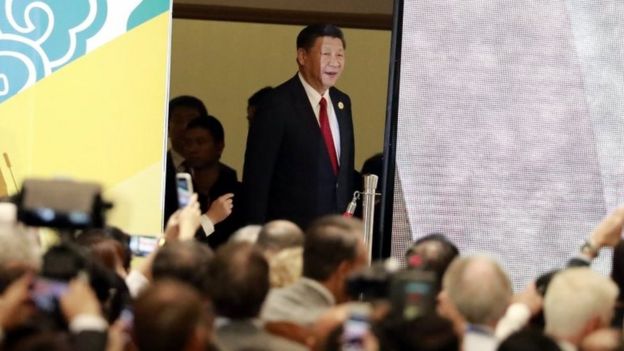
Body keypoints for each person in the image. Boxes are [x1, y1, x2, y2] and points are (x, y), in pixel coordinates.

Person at [242, 24, 355, 230]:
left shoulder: (342, 102)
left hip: (335, 231)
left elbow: (342, 171)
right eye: (326, 54)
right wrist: (255, 234)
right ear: (302, 57)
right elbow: (257, 179)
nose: (334, 62)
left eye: (340, 55)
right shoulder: (276, 104)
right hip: (289, 231)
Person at [261, 215, 367, 326]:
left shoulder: (262, 303)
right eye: (362, 266)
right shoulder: (344, 326)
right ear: (344, 270)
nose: (366, 274)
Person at [183, 116, 241, 248]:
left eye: (200, 142)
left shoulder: (238, 194)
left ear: (219, 146)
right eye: (188, 143)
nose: (193, 149)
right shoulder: (179, 192)